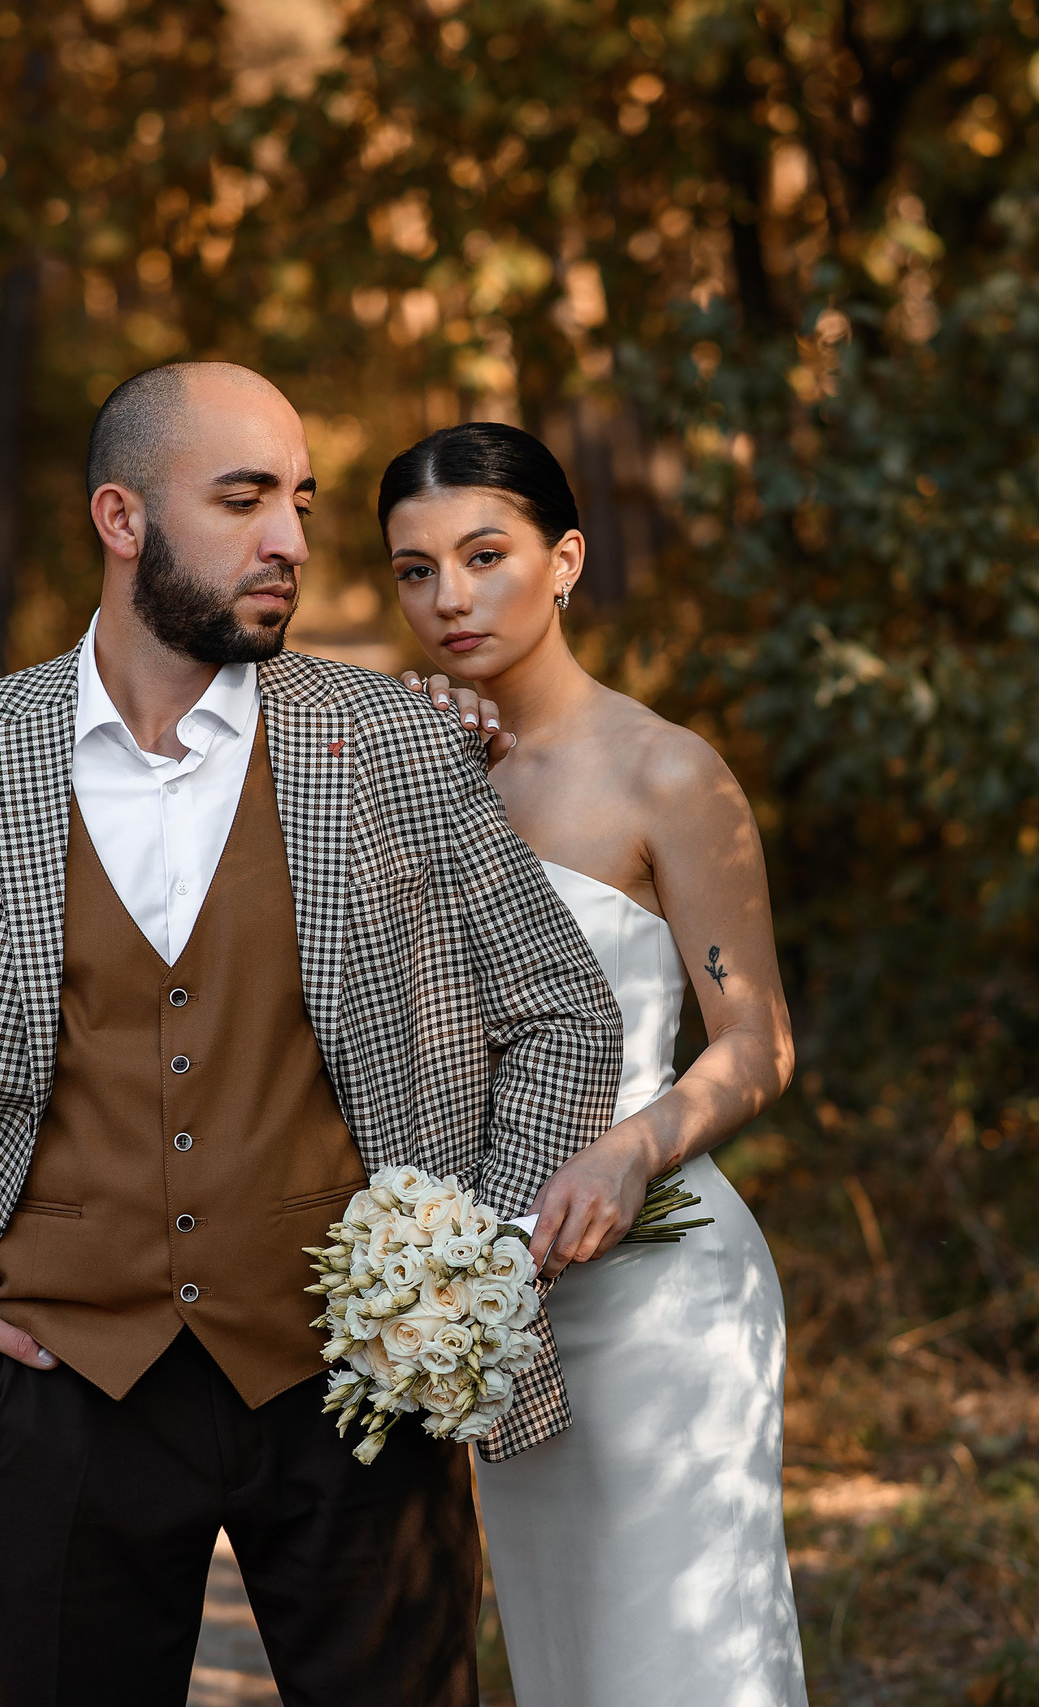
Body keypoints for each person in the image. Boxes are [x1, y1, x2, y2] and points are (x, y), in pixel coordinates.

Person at [0, 365, 622, 1706]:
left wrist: (464, 1273)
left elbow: (564, 1009)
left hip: (356, 1396)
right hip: (53, 1397)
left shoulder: (390, 741)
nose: (289, 538)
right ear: (122, 518)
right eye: (242, 500)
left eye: (299, 500)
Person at [378, 421, 810, 1707]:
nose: (449, 597)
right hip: (492, 1295)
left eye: (485, 553)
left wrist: (633, 1147)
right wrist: (409, 778)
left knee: (678, 1661)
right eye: (413, 570)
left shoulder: (667, 774)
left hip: (663, 1283)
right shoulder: (399, 764)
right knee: (563, 1663)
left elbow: (758, 1041)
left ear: (565, 560)